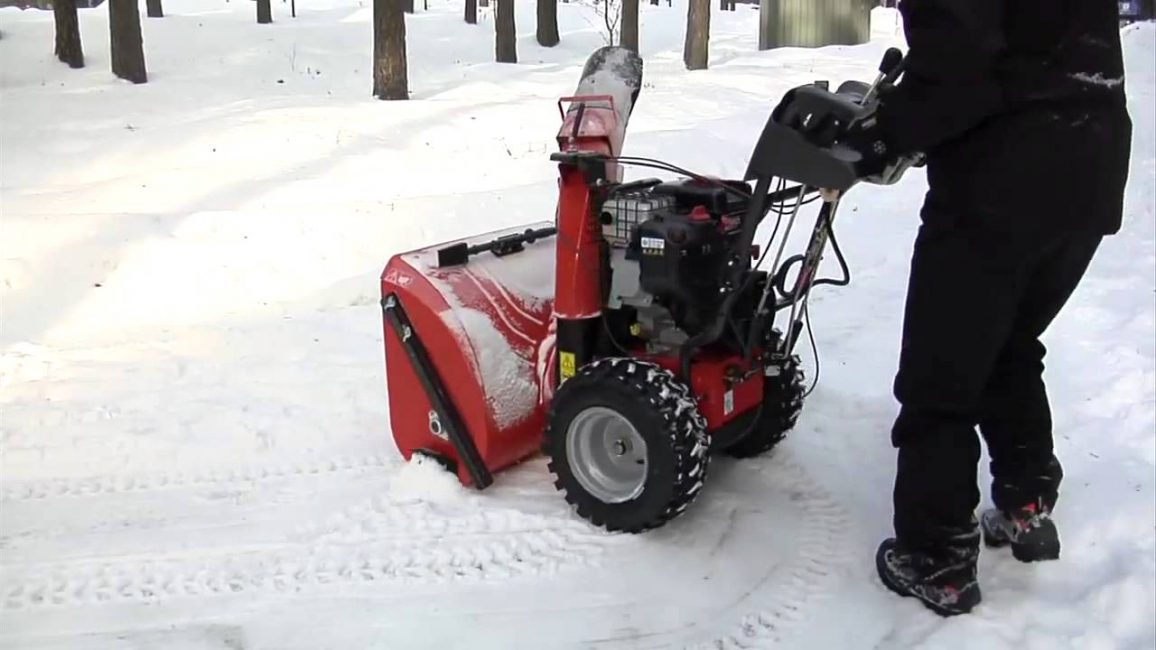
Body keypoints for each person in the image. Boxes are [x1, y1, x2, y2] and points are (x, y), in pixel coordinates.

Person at [839, 0, 1133, 615]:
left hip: (1004, 177)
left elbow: (958, 69)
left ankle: (935, 557)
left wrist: (886, 132)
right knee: (1010, 341)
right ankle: (1026, 502)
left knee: (940, 375)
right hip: (1092, 167)